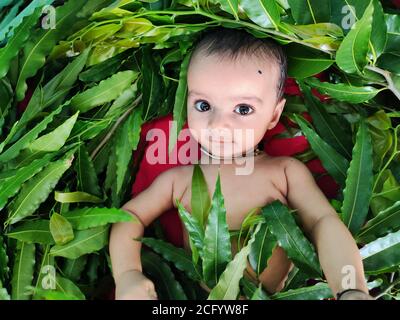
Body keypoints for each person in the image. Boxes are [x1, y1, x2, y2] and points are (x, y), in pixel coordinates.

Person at [109, 28, 373, 300]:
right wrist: (128, 275)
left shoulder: (284, 172)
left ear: (274, 115)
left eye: (243, 109)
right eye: (203, 105)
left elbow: (323, 222)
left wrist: (351, 288)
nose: (219, 123)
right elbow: (131, 217)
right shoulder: (180, 179)